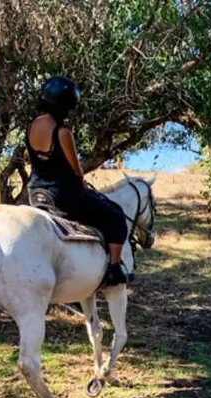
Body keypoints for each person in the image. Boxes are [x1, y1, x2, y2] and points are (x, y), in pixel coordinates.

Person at [26, 76, 131, 286]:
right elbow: (76, 170)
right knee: (116, 216)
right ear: (66, 106)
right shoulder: (63, 133)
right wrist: (81, 181)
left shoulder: (31, 126)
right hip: (63, 196)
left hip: (36, 192)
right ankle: (113, 270)